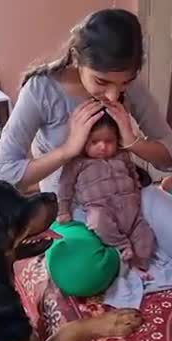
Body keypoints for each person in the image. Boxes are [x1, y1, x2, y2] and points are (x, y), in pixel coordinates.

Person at [0, 8, 172, 309]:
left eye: (124, 83)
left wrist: (132, 142)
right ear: (77, 58)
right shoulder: (41, 90)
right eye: (102, 82)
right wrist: (68, 150)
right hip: (75, 210)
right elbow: (0, 177)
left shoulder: (129, 87)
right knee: (78, 273)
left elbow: (171, 157)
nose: (113, 95)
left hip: (130, 198)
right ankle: (128, 250)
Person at [57, 112, 155, 280]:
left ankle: (138, 266)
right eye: (95, 142)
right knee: (97, 222)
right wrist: (63, 210)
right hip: (101, 209)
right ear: (82, 142)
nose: (102, 146)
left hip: (131, 210)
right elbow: (64, 187)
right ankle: (122, 246)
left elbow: (132, 172)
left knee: (146, 235)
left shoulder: (122, 156)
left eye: (109, 141)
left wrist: (136, 187)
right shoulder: (77, 163)